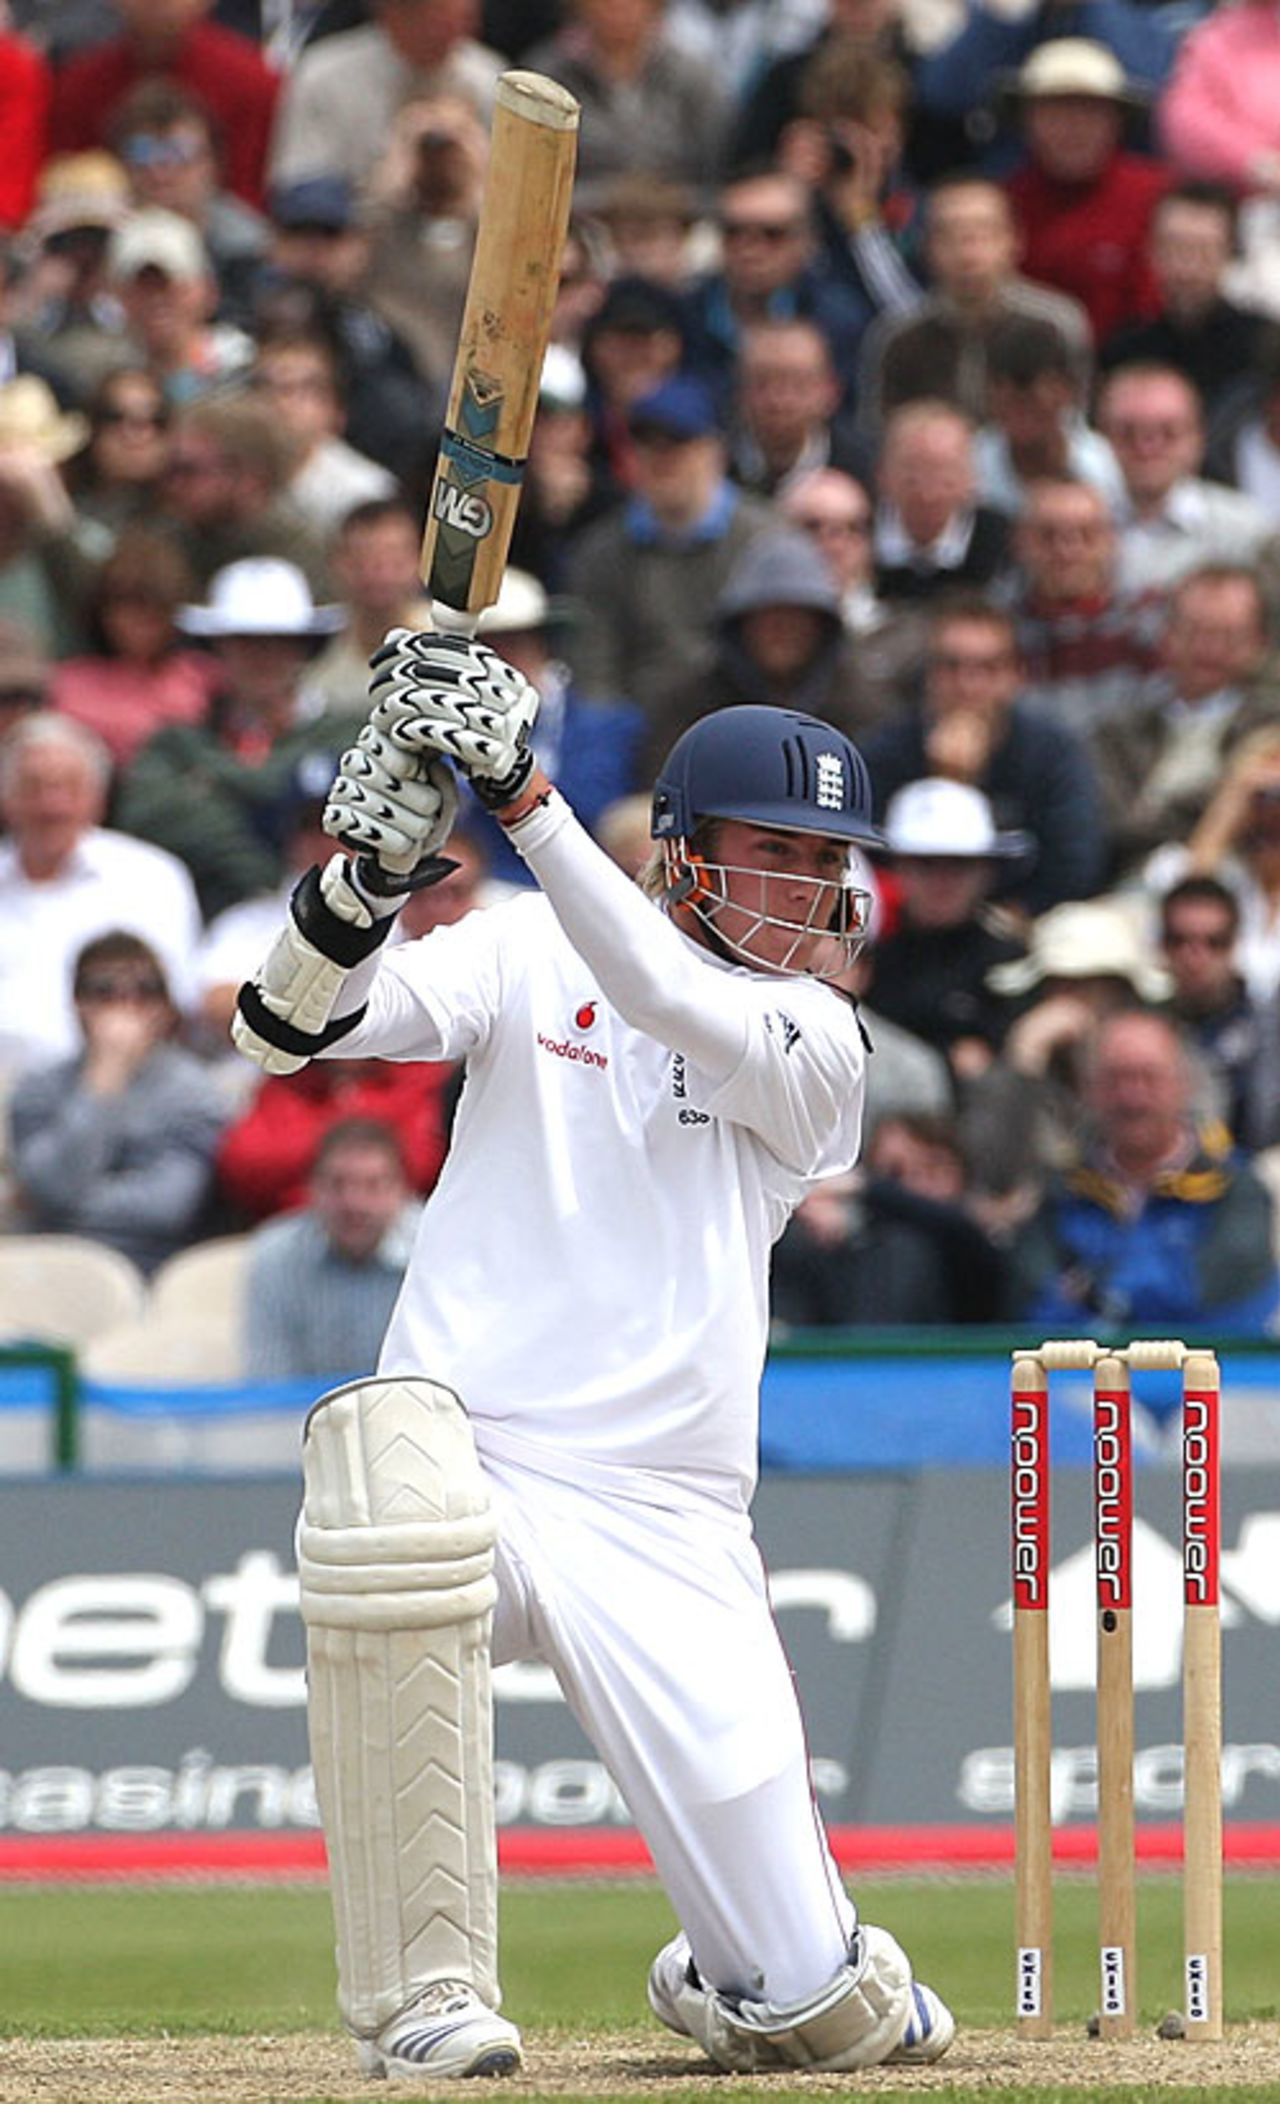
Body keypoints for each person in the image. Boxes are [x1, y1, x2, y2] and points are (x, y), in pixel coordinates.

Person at [231, 647, 956, 2079]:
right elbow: (285, 1029)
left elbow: (670, 1005)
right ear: (684, 854)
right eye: (776, 850)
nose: (811, 886)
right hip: (474, 1459)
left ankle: (746, 1968)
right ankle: (424, 1998)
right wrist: (366, 878)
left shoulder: (818, 1037)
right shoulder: (528, 942)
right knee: (393, 1515)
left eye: (829, 858)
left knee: (821, 2021)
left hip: (665, 1514)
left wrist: (522, 795)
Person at [1010, 1006, 1280, 1334]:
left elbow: (1217, 1298)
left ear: (1183, 1085)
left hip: (1207, 1378)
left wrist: (1095, 1294)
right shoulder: (1060, 1192)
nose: (1132, 1097)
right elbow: (1031, 1304)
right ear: (1089, 1089)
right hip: (1082, 1379)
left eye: (1149, 1077)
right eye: (1116, 1079)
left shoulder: (1235, 1189)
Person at [860, 594, 1107, 914]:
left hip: (1022, 922)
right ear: (930, 675)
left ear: (1016, 676)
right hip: (905, 924)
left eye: (987, 669)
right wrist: (945, 785)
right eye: (952, 667)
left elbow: (1075, 867)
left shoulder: (1053, 753)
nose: (968, 685)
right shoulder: (886, 752)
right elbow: (863, 858)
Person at [7, 929, 227, 1273]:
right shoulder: (38, 1087)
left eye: (146, 990)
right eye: (103, 991)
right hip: (45, 1267)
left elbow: (165, 1208)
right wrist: (104, 1081)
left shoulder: (195, 1093)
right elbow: (51, 1186)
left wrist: (57, 1203)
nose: (126, 1005)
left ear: (167, 1007)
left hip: (150, 1270)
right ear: (77, 1003)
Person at [0, 713, 200, 1079]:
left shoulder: (150, 876)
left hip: (113, 1081)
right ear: (6, 797)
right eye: (33, 787)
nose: (52, 806)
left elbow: (169, 1003)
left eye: (69, 787)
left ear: (98, 798)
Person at [243, 1116, 423, 1377]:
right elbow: (270, 1383)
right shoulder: (276, 1256)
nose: (354, 1203)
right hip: (301, 1415)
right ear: (311, 1188)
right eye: (337, 1184)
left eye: (373, 1186)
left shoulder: (432, 1251)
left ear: (402, 1190)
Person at [1095, 362, 1279, 601]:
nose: (1146, 447)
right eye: (1127, 433)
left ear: (1197, 437)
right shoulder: (1065, 524)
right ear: (1101, 435)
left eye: (1167, 432)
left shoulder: (1248, 532)